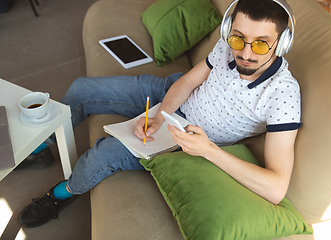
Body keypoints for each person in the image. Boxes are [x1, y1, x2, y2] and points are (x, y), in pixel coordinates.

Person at [19, 0, 301, 228]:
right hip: (172, 95)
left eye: (261, 44)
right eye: (239, 39)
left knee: (102, 156)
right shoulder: (229, 45)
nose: (246, 53)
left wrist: (209, 150)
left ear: (282, 42)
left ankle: (62, 193)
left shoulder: (283, 95)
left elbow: (276, 188)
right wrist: (159, 115)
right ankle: (43, 146)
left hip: (189, 137)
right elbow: (190, 80)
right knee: (82, 89)